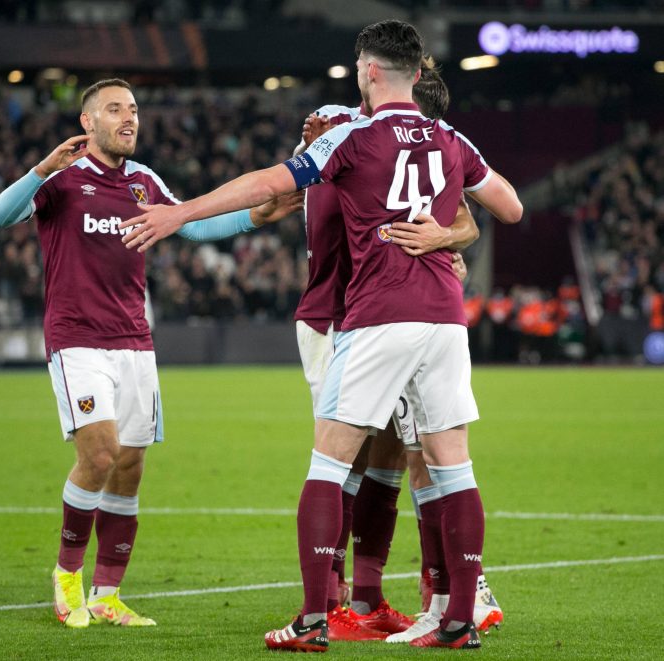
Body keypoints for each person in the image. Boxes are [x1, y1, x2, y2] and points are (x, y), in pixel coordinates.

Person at [121, 20, 522, 652]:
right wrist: (444, 234)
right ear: (419, 74)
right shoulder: (450, 137)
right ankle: (457, 619)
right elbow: (511, 207)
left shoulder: (351, 136)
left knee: (329, 463)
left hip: (378, 314)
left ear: (366, 71)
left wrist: (182, 211)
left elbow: (268, 183)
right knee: (453, 468)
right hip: (445, 319)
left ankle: (313, 619)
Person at [0, 79, 301, 629]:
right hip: (77, 339)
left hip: (134, 340)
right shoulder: (62, 180)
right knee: (100, 454)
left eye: (133, 110)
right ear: (88, 122)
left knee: (129, 466)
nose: (129, 118)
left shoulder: (143, 181)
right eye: (115, 110)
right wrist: (41, 168)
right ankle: (67, 577)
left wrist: (257, 217)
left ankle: (108, 594)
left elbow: (193, 227)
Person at [291, 59, 486, 643]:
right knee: (346, 454)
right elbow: (273, 199)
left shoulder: (425, 144)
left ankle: (385, 597)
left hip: (390, 318)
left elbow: (466, 219)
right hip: (336, 317)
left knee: (397, 455)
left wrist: (443, 237)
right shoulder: (337, 131)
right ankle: (330, 598)